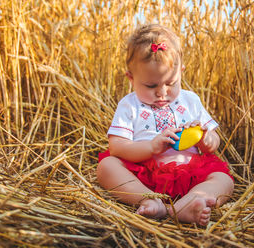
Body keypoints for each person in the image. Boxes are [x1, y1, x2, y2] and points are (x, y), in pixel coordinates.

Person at [97, 24, 234, 226]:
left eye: (171, 83)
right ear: (131, 79)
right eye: (151, 86)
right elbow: (116, 146)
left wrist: (206, 139)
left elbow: (215, 140)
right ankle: (150, 200)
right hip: (144, 176)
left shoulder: (191, 100)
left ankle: (183, 206)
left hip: (190, 173)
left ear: (181, 73)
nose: (162, 93)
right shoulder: (129, 105)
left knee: (224, 180)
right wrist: (151, 147)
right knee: (106, 167)